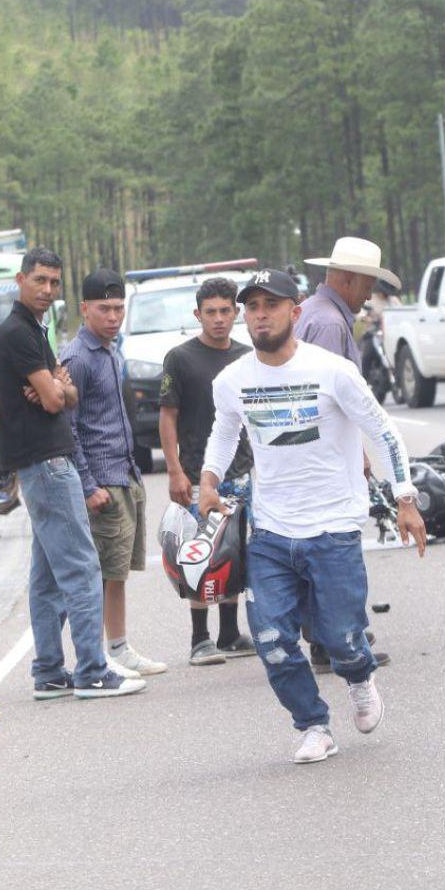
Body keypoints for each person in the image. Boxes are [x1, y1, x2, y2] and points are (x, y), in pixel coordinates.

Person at [199, 268, 426, 765]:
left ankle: (359, 678)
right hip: (271, 531)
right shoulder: (232, 380)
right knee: (272, 640)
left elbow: (383, 431)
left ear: (294, 311)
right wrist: (208, 479)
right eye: (252, 307)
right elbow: (224, 432)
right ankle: (313, 725)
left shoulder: (332, 371)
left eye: (271, 305)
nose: (261, 315)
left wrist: (405, 498)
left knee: (341, 638)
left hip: (333, 528)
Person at [0, 248, 145, 701]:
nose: (47, 289)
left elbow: (63, 394)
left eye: (54, 282)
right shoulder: (17, 332)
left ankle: (49, 671)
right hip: (47, 462)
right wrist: (57, 389)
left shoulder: (36, 329)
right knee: (81, 566)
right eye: (39, 280)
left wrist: (58, 388)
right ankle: (93, 671)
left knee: (46, 577)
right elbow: (58, 400)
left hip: (42, 463)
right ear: (20, 279)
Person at [298, 236, 401, 671]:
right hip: (322, 456)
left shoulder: (318, 311)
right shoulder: (329, 323)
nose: (368, 295)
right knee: (333, 551)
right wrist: (354, 451)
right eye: (366, 285)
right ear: (345, 280)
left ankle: (338, 631)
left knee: (322, 549)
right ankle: (334, 642)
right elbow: (327, 397)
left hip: (314, 453)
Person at [60, 268, 166, 677]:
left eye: (119, 308)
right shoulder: (78, 358)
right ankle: (96, 656)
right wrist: (88, 485)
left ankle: (118, 648)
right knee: (100, 575)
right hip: (100, 480)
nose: (113, 316)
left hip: (124, 474)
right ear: (85, 308)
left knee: (117, 573)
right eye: (104, 308)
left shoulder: (112, 350)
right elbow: (69, 429)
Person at [158, 276, 257, 666]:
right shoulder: (180, 358)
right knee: (199, 553)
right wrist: (175, 471)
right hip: (199, 475)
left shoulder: (248, 356)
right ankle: (200, 639)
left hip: (242, 472)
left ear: (236, 313)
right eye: (211, 312)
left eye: (225, 311)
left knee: (235, 553)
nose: (218, 319)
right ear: (197, 314)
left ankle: (229, 633)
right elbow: (168, 416)